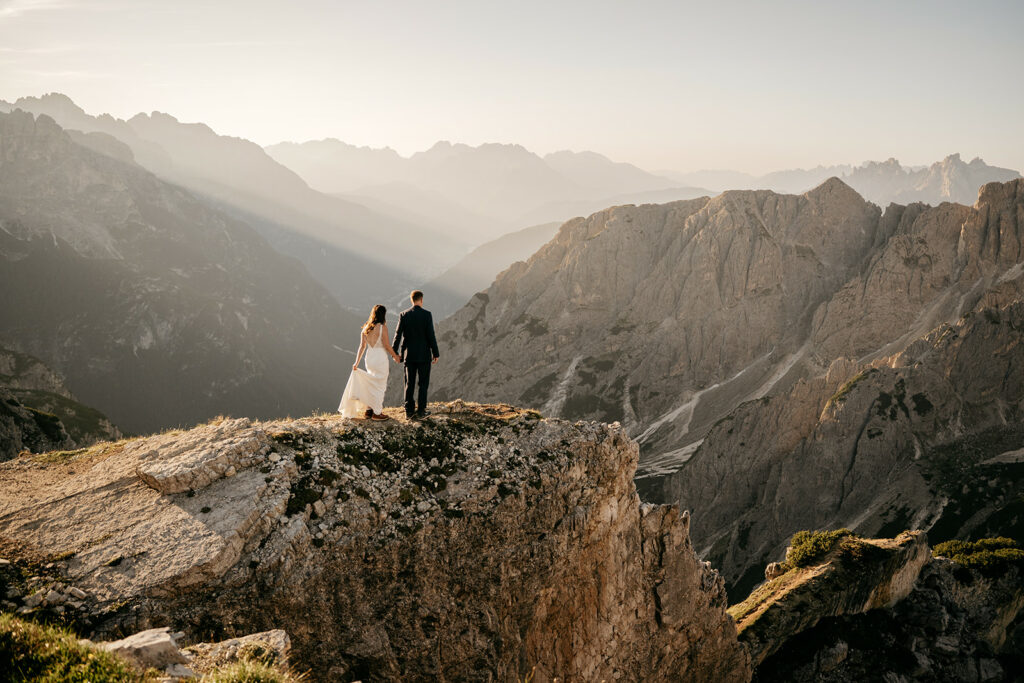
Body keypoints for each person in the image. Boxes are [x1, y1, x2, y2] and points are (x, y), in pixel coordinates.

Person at [338, 304, 401, 420]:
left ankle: (368, 410)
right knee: (380, 385)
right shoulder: (382, 327)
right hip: (380, 358)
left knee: (371, 383)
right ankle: (377, 413)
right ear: (383, 315)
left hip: (369, 357)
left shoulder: (366, 327)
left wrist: (356, 363)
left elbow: (361, 347)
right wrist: (396, 356)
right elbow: (387, 345)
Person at [392, 290, 440, 419]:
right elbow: (431, 336)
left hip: (409, 355)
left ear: (411, 300)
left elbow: (397, 335)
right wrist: (436, 353)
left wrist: (395, 353)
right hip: (424, 355)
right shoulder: (427, 315)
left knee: (409, 383)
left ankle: (409, 411)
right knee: (423, 383)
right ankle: (421, 411)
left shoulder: (404, 315)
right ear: (421, 300)